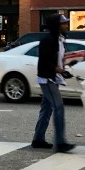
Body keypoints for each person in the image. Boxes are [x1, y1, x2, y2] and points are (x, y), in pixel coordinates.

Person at [32, 13, 75, 153]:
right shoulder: (48, 40)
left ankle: (38, 139)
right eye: (63, 23)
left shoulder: (59, 40)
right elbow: (44, 60)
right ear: (56, 26)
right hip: (47, 79)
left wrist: (68, 64)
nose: (66, 25)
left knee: (47, 108)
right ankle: (60, 142)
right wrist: (58, 69)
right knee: (59, 107)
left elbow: (57, 58)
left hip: (53, 78)